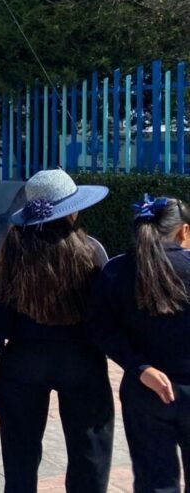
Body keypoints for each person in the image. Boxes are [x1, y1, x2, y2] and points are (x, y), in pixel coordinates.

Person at [0, 169, 113, 493]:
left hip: (24, 358)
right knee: (90, 448)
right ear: (72, 210)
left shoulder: (14, 249)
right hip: (82, 360)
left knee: (20, 449)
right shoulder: (90, 250)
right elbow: (103, 311)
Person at [91, 196, 190, 492]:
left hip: (144, 389)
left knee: (154, 482)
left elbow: (101, 330)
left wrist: (140, 367)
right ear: (184, 231)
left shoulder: (116, 270)